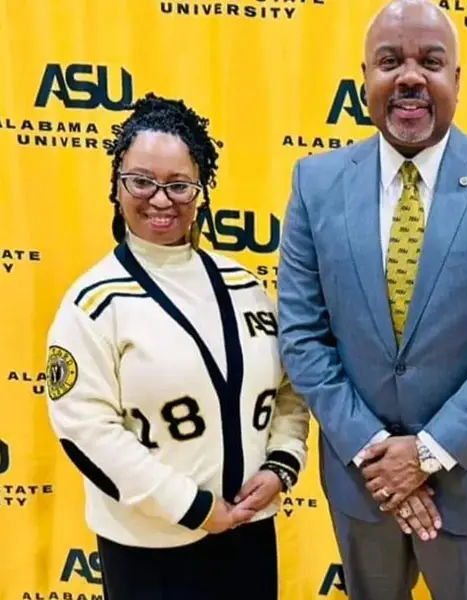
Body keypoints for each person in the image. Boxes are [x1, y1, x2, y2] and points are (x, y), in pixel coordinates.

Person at [277, 0, 467, 598]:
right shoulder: (315, 182)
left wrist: (428, 454)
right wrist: (382, 454)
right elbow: (302, 335)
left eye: (431, 61)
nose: (409, 76)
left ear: (457, 80)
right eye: (390, 62)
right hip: (364, 481)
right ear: (364, 80)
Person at [44, 93, 309, 600]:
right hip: (150, 548)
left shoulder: (246, 285)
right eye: (142, 181)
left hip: (249, 533)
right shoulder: (93, 302)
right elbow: (86, 431)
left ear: (201, 189)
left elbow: (289, 391)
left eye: (179, 185)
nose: (161, 199)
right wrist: (190, 505)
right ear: (116, 187)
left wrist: (280, 465)